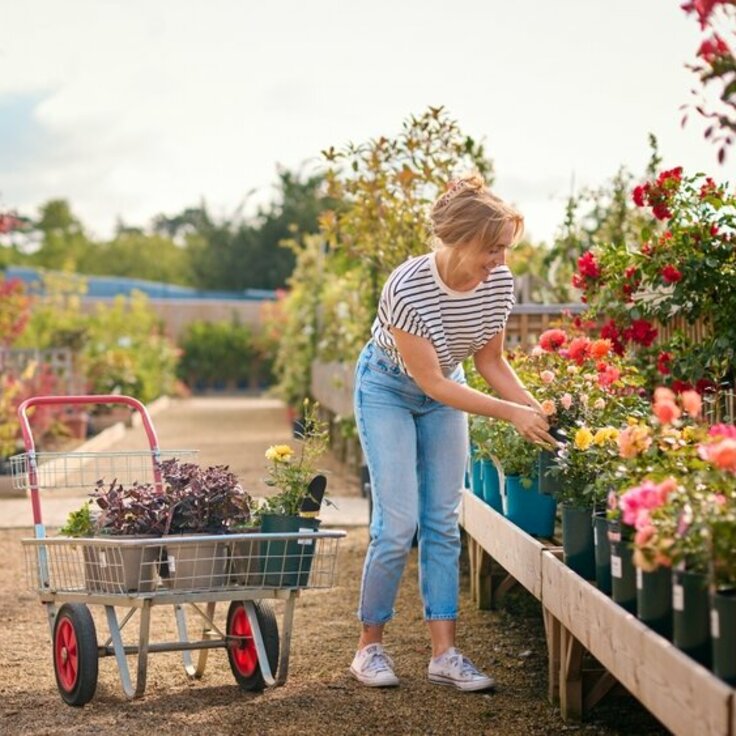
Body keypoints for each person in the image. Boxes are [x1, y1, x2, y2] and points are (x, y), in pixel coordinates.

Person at [349, 173, 555, 691]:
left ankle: (445, 655)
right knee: (397, 525)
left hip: (447, 387)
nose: (501, 262)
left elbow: (491, 361)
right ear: (459, 240)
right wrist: (510, 415)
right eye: (492, 249)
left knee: (442, 521)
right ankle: (368, 648)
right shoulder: (407, 288)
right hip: (389, 390)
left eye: (505, 249)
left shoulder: (498, 284)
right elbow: (432, 382)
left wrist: (534, 407)